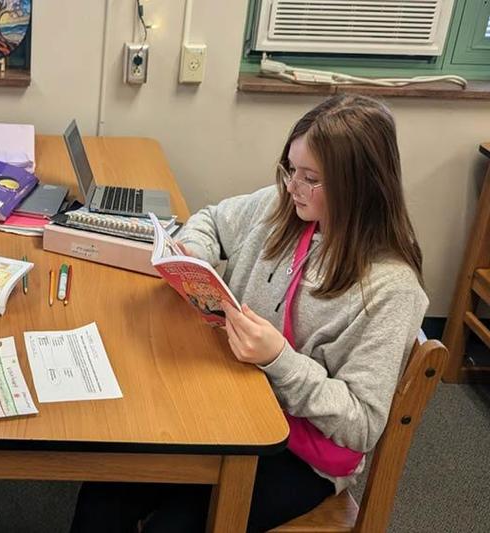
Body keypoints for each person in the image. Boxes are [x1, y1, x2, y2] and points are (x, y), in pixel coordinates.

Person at [70, 94, 428, 532]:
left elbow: (362, 425)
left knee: (174, 526)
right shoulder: (282, 207)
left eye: (310, 177)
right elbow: (212, 220)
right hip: (227, 400)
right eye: (290, 169)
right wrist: (194, 257)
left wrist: (280, 360)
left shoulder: (390, 289)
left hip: (297, 452)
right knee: (104, 493)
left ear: (359, 185)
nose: (292, 186)